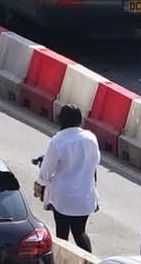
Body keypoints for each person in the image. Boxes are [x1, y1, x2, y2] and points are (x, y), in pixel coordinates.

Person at [40, 105, 101, 252]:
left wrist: (40, 185)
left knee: (62, 235)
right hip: (85, 198)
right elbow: (95, 162)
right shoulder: (91, 138)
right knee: (80, 232)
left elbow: (45, 173)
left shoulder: (57, 142)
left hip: (63, 199)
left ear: (61, 120)